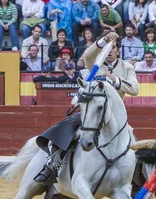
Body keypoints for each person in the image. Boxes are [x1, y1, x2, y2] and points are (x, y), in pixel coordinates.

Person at [34, 32, 139, 184]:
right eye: (108, 48)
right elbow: (87, 56)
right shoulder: (95, 64)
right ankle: (53, 165)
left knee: (133, 145)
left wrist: (113, 79)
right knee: (69, 129)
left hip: (115, 116)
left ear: (118, 50)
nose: (110, 51)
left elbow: (135, 89)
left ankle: (132, 182)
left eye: (114, 48)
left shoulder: (127, 67)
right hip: (93, 112)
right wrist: (103, 40)